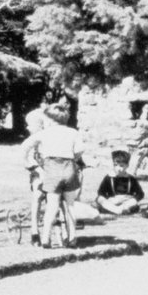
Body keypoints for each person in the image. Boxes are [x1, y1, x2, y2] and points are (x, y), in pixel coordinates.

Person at [34, 100, 85, 247]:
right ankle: (72, 237)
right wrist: (74, 157)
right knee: (70, 205)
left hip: (52, 169)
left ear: (50, 120)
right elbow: (81, 149)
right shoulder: (73, 132)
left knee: (52, 206)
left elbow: (26, 146)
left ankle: (45, 238)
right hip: (69, 168)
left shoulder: (45, 133)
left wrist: (30, 164)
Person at [93, 149, 145, 216]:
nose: (118, 168)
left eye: (121, 166)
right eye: (115, 165)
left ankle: (118, 210)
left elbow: (140, 194)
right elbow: (101, 192)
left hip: (125, 202)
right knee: (99, 198)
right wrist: (112, 199)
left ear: (127, 166)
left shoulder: (131, 179)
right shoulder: (109, 178)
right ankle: (118, 211)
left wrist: (130, 199)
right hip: (112, 202)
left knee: (133, 204)